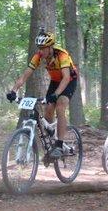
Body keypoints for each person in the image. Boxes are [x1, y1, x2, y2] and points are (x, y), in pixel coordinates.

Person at [6, 29, 78, 158]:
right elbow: (25, 75)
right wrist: (13, 90)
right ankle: (50, 143)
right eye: (40, 48)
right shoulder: (38, 56)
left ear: (50, 47)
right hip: (55, 81)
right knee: (48, 111)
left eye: (44, 48)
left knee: (60, 107)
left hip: (69, 81)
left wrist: (56, 94)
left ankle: (60, 146)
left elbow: (66, 78)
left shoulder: (62, 55)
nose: (41, 51)